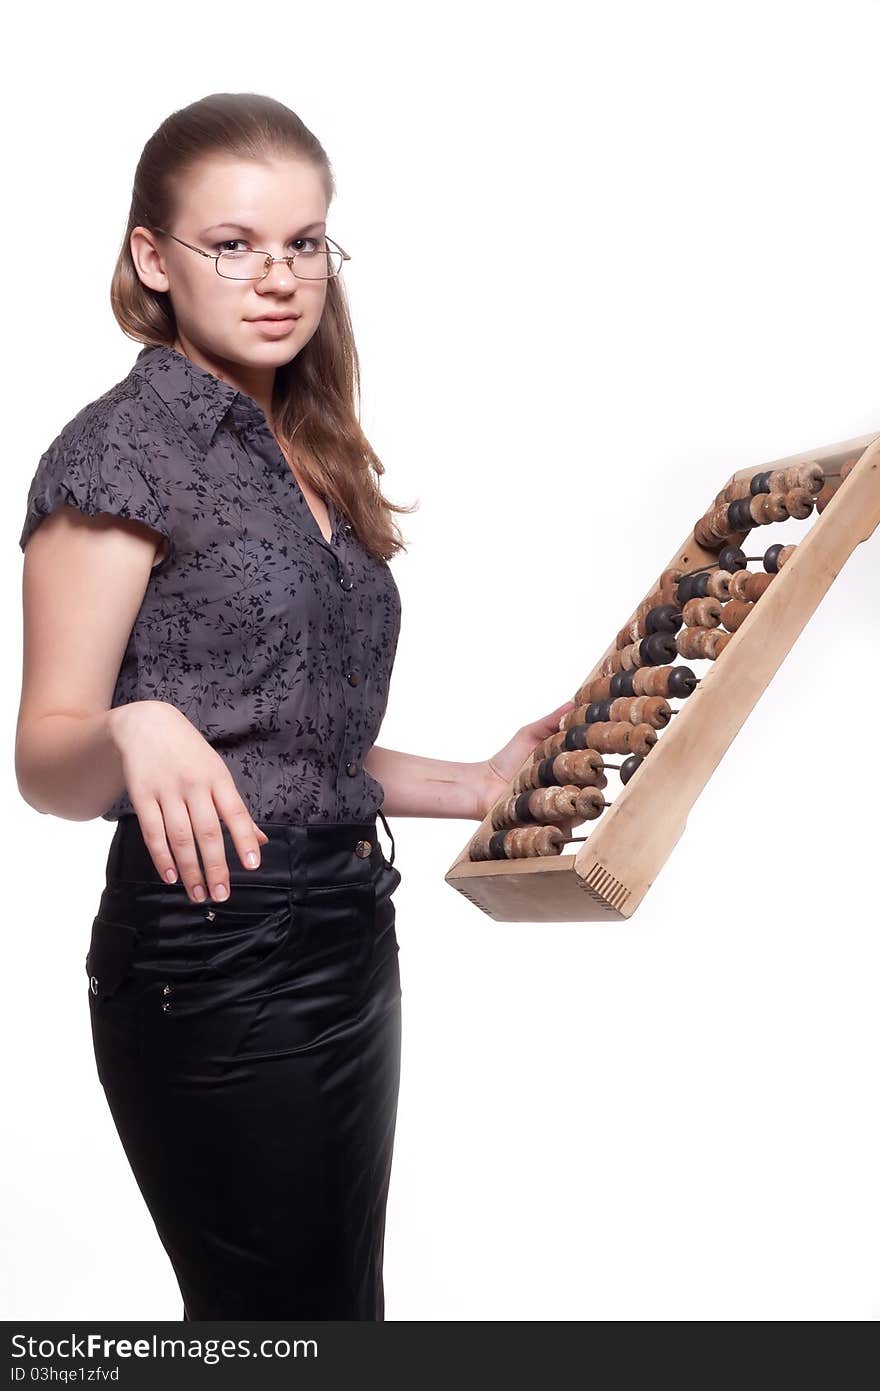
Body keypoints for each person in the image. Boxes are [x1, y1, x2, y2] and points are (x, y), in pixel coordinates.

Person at [15, 92, 572, 1320]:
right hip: (210, 957)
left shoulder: (308, 446)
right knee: (280, 1329)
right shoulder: (122, 453)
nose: (276, 277)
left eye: (303, 242)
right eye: (233, 244)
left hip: (346, 931)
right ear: (152, 259)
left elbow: (285, 738)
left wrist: (478, 785)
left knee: (339, 1314)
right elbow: (46, 759)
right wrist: (126, 722)